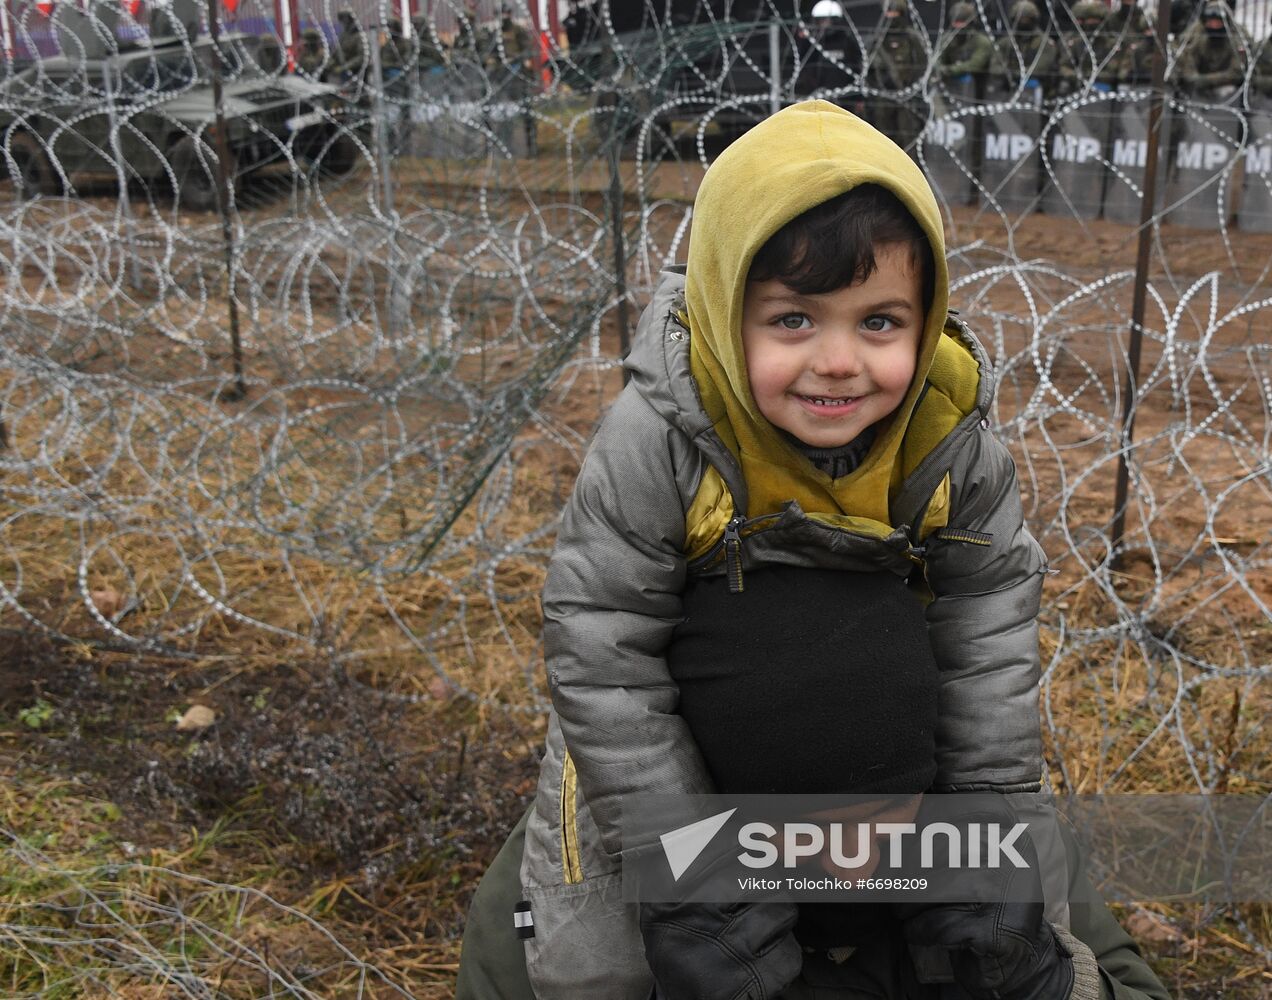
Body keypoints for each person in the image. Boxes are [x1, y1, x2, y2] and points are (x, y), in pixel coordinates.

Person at [454, 101, 1173, 1000]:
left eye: (879, 323)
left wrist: (986, 834)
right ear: (725, 312)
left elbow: (987, 640)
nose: (839, 360)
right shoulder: (662, 438)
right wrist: (681, 861)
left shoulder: (948, 445)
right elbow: (602, 645)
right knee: (594, 960)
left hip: (902, 773)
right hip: (675, 772)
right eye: (794, 319)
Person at [865, 0, 927, 149]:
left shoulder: (912, 37)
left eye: (895, 13)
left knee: (907, 133)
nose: (891, 16)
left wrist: (911, 86)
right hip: (884, 94)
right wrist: (881, 82)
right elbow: (869, 66)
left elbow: (922, 64)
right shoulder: (878, 39)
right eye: (888, 12)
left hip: (907, 94)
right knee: (883, 136)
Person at [1173, 1, 1249, 100]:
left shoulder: (1237, 37)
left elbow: (1236, 72)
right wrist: (1194, 78)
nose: (1213, 26)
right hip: (1197, 86)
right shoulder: (1196, 33)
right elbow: (1187, 62)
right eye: (1211, 22)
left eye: (1217, 23)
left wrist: (1205, 80)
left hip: (1226, 88)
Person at [992, 0, 1061, 100]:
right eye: (1019, 19)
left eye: (1026, 19)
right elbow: (995, 67)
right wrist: (1007, 74)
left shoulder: (1045, 44)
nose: (1022, 22)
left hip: (1038, 89)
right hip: (1008, 86)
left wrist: (1014, 74)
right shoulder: (1005, 43)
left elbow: (1040, 69)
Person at [1057, 0, 1119, 95]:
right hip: (1077, 83)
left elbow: (1112, 70)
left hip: (1102, 83)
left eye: (1095, 20)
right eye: (1089, 20)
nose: (1092, 23)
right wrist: (1078, 77)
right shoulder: (1076, 42)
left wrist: (1091, 76)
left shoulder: (1111, 44)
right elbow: (1065, 65)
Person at [934, 1, 993, 90]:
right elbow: (937, 59)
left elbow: (975, 64)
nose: (959, 30)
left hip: (975, 85)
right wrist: (941, 69)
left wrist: (950, 69)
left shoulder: (982, 41)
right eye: (956, 25)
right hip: (949, 85)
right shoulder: (946, 39)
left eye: (962, 26)